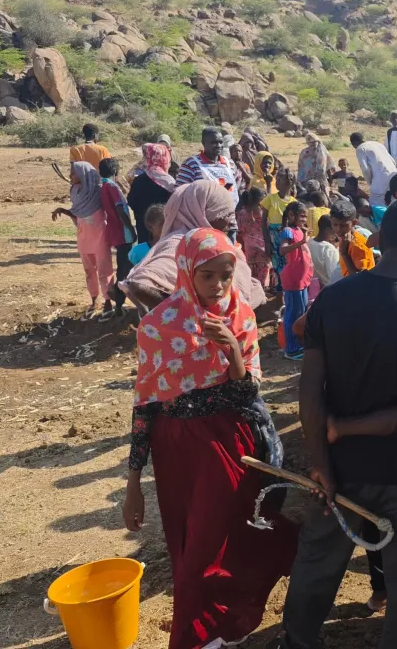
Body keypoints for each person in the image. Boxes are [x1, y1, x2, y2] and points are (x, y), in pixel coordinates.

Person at [285, 196, 397, 649]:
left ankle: (298, 642)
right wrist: (343, 430)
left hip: (339, 469)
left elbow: (309, 391)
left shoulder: (332, 300)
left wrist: (323, 459)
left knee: (317, 564)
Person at [122, 228, 296, 649]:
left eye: (226, 273)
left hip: (227, 444)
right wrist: (132, 482)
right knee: (187, 543)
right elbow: (146, 406)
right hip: (176, 451)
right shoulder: (157, 328)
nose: (218, 285)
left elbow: (247, 394)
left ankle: (195, 637)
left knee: (214, 542)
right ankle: (217, 628)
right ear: (186, 273)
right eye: (207, 276)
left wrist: (233, 352)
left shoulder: (241, 317)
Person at [122, 181, 265, 311]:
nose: (230, 222)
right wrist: (189, 315)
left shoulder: (208, 240)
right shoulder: (181, 242)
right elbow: (139, 284)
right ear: (203, 213)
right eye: (224, 214)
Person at [51, 161, 112, 319]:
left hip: (99, 234)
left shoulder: (98, 191)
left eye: (73, 172)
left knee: (104, 269)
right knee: (89, 270)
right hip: (83, 234)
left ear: (83, 174)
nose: (70, 175)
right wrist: (64, 211)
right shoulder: (75, 191)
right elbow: (78, 215)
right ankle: (94, 300)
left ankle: (108, 302)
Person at [98, 158, 137, 318]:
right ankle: (118, 301)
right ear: (116, 171)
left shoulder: (103, 186)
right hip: (123, 233)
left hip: (114, 232)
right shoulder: (112, 187)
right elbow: (120, 210)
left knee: (123, 266)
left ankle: (117, 297)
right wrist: (130, 228)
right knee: (124, 268)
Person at [278, 202, 314, 361]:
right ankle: (291, 349)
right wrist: (301, 242)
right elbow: (282, 250)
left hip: (302, 278)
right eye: (301, 215)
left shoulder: (300, 231)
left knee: (301, 311)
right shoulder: (288, 231)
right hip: (293, 279)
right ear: (291, 215)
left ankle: (299, 343)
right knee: (293, 313)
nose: (304, 218)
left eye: (305, 216)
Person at [178, 127, 241, 208]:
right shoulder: (191, 164)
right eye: (214, 143)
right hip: (201, 215)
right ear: (203, 143)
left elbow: (231, 187)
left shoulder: (229, 163)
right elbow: (179, 193)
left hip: (229, 214)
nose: (219, 146)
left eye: (221, 142)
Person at [127, 143, 176, 245]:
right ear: (165, 158)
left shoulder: (138, 180)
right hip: (163, 231)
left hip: (143, 229)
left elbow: (131, 202)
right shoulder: (170, 182)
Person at [262, 170, 298, 288]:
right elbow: (263, 221)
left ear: (289, 182)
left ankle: (287, 292)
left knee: (289, 266)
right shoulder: (270, 199)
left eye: (279, 179)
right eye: (276, 179)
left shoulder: (294, 202)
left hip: (289, 239)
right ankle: (279, 296)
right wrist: (267, 242)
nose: (276, 182)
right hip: (274, 239)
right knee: (277, 268)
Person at [350, 132, 397, 208]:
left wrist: (370, 182)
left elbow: (365, 169)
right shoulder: (378, 144)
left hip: (380, 179)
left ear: (354, 143)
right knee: (393, 201)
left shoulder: (360, 148)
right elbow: (393, 161)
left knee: (376, 204)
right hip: (394, 175)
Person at [330, 198, 374, 278]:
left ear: (354, 223)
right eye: (335, 224)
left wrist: (344, 254)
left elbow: (359, 280)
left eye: (343, 225)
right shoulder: (345, 239)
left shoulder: (357, 245)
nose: (338, 230)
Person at [236, 188, 270, 289]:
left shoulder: (242, 213)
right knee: (263, 270)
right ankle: (262, 291)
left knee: (251, 271)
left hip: (249, 246)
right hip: (263, 246)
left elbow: (240, 229)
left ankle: (253, 290)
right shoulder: (264, 213)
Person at [308, 214, 339, 296]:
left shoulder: (309, 242)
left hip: (311, 289)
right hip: (327, 291)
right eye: (335, 226)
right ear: (327, 230)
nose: (337, 230)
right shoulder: (329, 249)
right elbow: (333, 275)